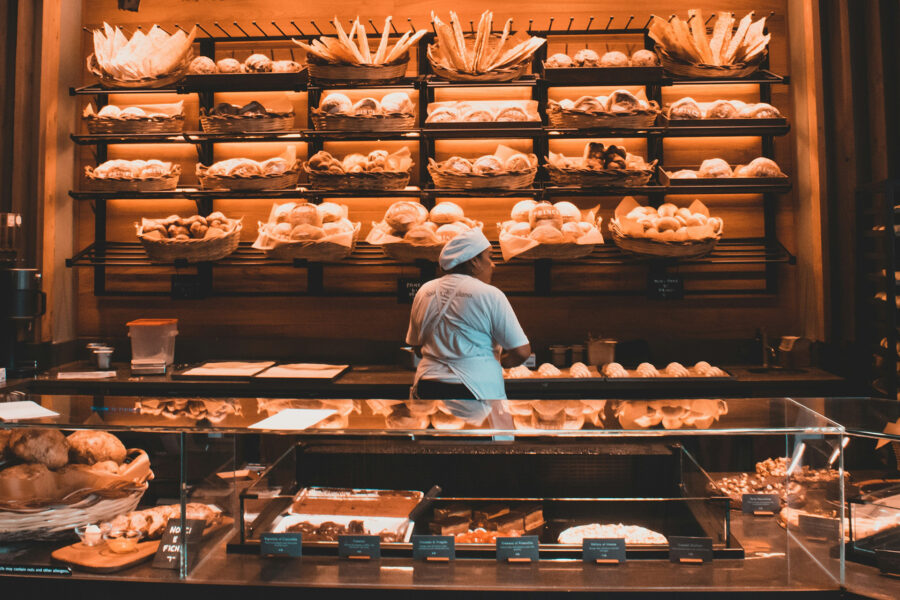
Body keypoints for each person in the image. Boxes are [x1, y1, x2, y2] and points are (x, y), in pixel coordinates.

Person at [406, 227, 531, 415]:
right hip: (478, 389)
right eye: (489, 256)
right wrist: (496, 363)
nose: (493, 264)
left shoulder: (424, 291)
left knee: (434, 444)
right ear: (474, 262)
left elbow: (416, 347)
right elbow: (521, 352)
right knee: (485, 443)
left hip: (429, 388)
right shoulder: (491, 294)